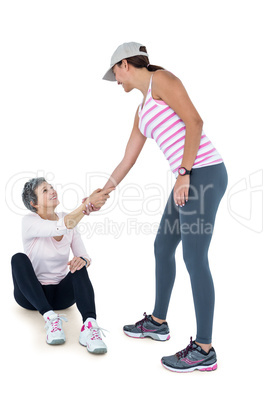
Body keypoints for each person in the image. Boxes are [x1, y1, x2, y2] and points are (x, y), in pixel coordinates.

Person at [87, 42, 228, 371]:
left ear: (125, 64)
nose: (116, 82)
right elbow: (128, 159)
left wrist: (183, 173)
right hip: (190, 177)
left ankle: (204, 348)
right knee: (163, 246)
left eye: (116, 74)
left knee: (194, 257)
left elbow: (195, 122)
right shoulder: (140, 111)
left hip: (203, 173)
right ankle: (158, 322)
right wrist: (101, 193)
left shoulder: (161, 80)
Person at [11, 177, 114, 354]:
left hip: (62, 296)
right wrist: (86, 205)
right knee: (18, 258)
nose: (52, 190)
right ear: (33, 203)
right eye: (45, 190)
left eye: (51, 187)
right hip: (31, 297)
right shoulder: (29, 221)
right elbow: (60, 226)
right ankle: (50, 318)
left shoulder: (67, 218)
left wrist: (83, 260)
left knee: (79, 264)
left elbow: (85, 255)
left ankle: (90, 326)